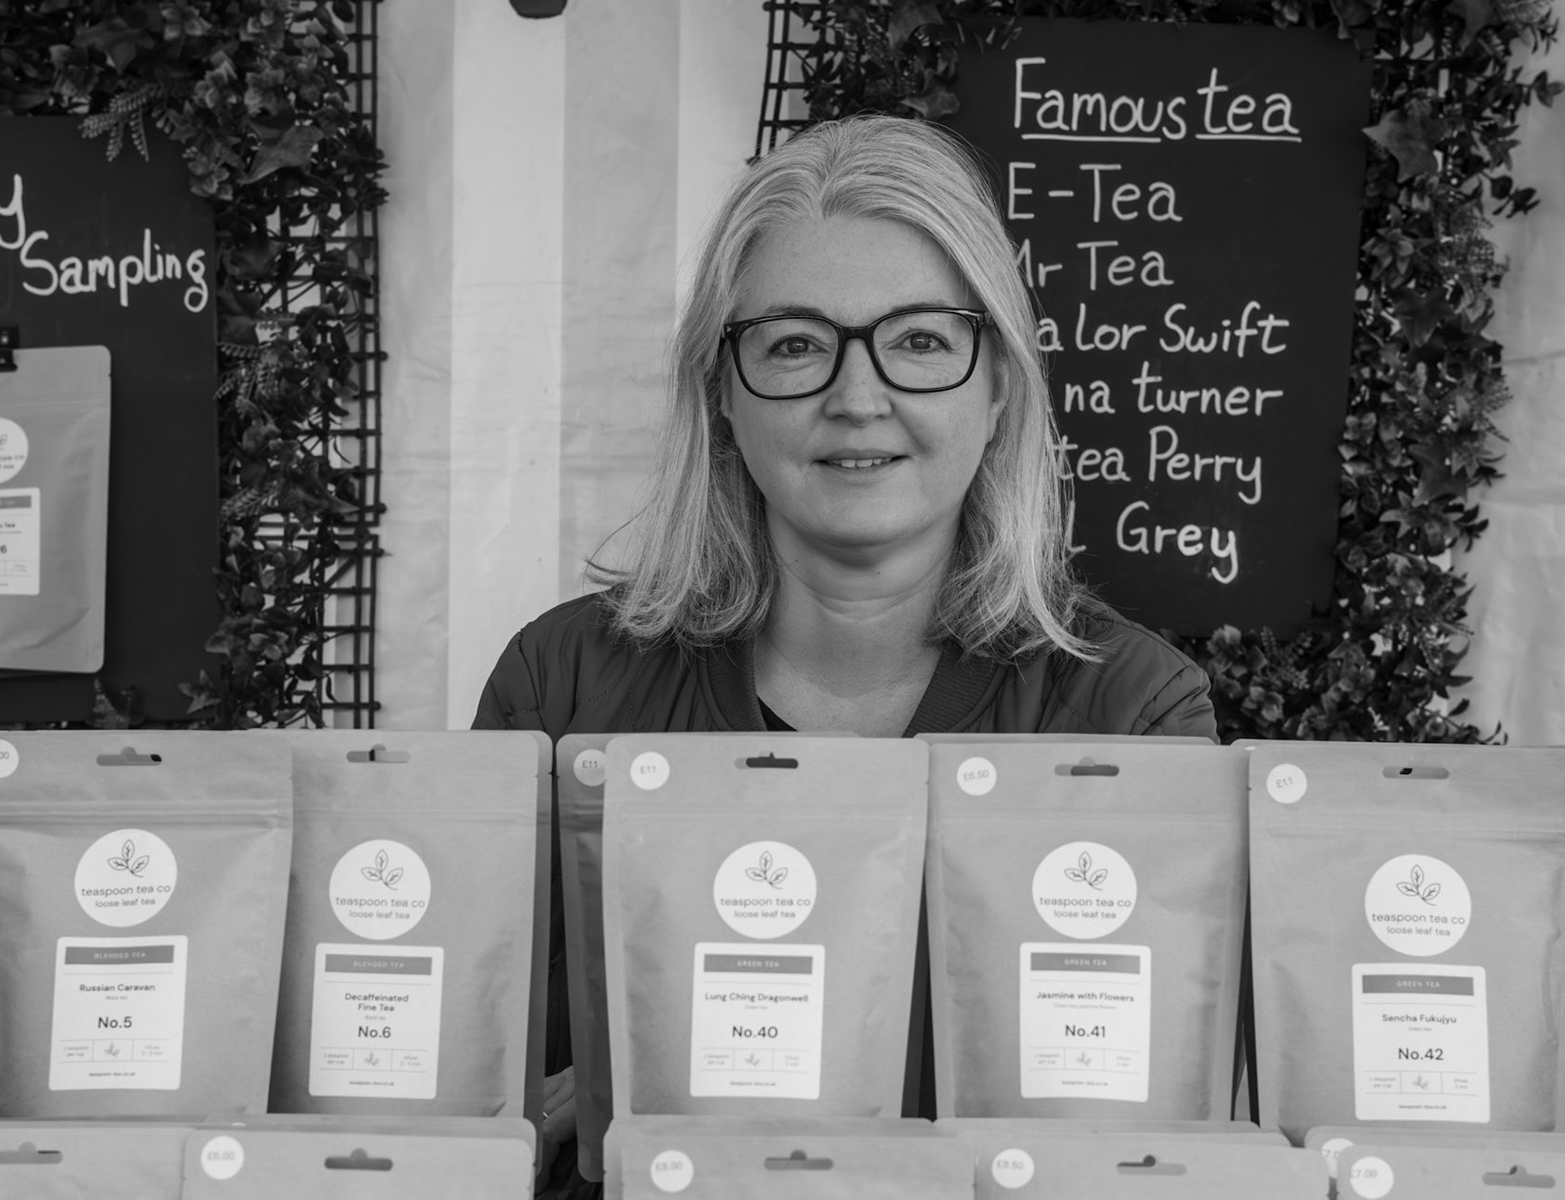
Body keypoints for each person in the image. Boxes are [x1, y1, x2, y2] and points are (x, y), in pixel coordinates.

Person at [475, 114, 1216, 1194]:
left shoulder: (1132, 710)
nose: (857, 395)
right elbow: (487, 1088)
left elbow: (1143, 1137)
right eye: (794, 343)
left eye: (920, 339)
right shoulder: (563, 683)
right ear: (721, 392)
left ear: (999, 382)